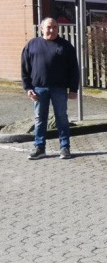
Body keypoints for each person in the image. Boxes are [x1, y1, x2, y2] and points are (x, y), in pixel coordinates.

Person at [21, 17, 79, 160]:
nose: (52, 30)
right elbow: (25, 68)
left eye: (54, 27)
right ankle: (39, 148)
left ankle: (65, 148)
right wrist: (27, 87)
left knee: (62, 118)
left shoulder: (65, 46)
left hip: (59, 89)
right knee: (40, 119)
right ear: (41, 28)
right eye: (48, 27)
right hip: (39, 89)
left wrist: (73, 89)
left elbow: (73, 69)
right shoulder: (32, 45)